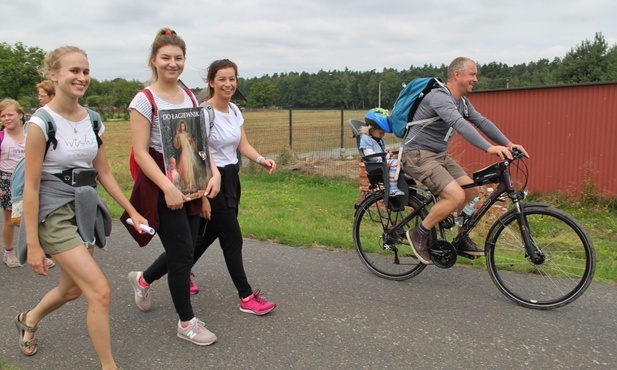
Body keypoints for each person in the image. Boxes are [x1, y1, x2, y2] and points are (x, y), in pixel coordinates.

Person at [15, 46, 147, 370]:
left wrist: (133, 210)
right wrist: (33, 244)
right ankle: (108, 365)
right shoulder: (40, 124)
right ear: (54, 74)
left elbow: (103, 173)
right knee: (99, 291)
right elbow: (31, 187)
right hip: (52, 213)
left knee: (71, 289)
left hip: (84, 208)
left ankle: (29, 318)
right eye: (73, 70)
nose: (81, 77)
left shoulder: (93, 119)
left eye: (85, 71)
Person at [125, 28, 221, 346]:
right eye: (165, 57)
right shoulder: (143, 100)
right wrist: (167, 187)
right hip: (160, 184)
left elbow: (200, 143)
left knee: (187, 247)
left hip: (191, 178)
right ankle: (186, 322)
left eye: (178, 58)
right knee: (182, 254)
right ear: (153, 60)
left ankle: (143, 279)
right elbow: (140, 152)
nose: (172, 63)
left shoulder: (190, 96)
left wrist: (213, 175)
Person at [401, 57, 529, 264]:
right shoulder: (439, 96)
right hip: (418, 155)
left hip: (439, 156)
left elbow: (482, 123)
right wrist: (490, 148)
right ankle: (419, 233)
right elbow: (458, 123)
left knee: (471, 192)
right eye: (472, 74)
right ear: (456, 74)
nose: (475, 79)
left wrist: (508, 144)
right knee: (454, 196)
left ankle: (460, 238)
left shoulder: (462, 102)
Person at [193, 59, 276, 315]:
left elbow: (242, 145)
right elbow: (199, 152)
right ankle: (246, 296)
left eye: (232, 79)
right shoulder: (203, 112)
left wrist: (262, 160)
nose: (228, 84)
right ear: (211, 82)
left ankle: (148, 277)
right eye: (222, 79)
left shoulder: (235, 111)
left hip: (232, 178)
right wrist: (208, 186)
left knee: (208, 235)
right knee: (232, 238)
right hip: (212, 180)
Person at [0, 99, 55, 269]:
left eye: (10, 114)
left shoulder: (31, 134)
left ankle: (41, 252)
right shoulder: (1, 137)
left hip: (30, 178)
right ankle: (9, 252)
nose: (7, 118)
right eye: (2, 116)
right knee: (11, 219)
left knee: (37, 216)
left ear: (21, 115)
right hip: (7, 181)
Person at [358, 107, 404, 197]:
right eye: (380, 133)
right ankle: (393, 189)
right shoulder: (365, 139)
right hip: (375, 165)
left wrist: (387, 152)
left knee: (403, 163)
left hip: (381, 162)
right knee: (395, 163)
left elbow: (380, 151)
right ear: (371, 129)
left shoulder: (379, 139)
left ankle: (410, 191)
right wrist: (386, 155)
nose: (382, 135)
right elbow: (371, 156)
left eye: (383, 133)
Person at [173, 120, 198, 192]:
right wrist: (176, 137)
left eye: (184, 126)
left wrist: (191, 140)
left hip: (189, 153)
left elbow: (193, 145)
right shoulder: (179, 135)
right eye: (181, 126)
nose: (183, 127)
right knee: (185, 168)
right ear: (180, 127)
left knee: (191, 168)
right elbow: (177, 146)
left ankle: (192, 184)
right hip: (184, 152)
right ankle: (187, 185)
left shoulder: (187, 134)